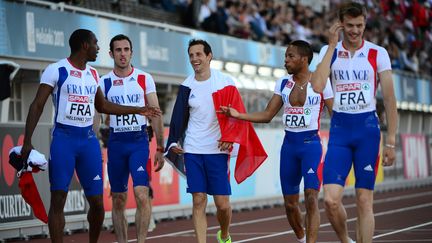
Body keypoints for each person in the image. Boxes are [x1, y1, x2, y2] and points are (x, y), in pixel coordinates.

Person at [20, 29, 161, 243]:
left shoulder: (94, 74)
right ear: (85, 45)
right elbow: (37, 105)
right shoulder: (56, 70)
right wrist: (27, 141)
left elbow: (102, 106)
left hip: (88, 142)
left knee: (97, 203)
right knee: (58, 199)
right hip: (64, 140)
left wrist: (137, 110)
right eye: (95, 44)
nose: (98, 49)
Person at [220, 40, 334, 243]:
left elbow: (336, 114)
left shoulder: (321, 83)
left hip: (311, 146)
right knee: (290, 205)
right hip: (289, 147)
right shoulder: (282, 83)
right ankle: (301, 238)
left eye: (291, 56)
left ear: (304, 59)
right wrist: (238, 115)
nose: (286, 60)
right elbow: (267, 115)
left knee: (311, 196)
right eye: (286, 56)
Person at [311, 2, 398, 243]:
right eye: (349, 26)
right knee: (330, 199)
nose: (355, 31)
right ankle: (345, 239)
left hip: (367, 131)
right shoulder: (330, 51)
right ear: (340, 24)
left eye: (359, 25)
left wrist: (391, 141)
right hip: (340, 130)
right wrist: (330, 46)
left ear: (365, 23)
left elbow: (390, 98)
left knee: (363, 199)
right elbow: (317, 86)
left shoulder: (377, 53)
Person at [164, 39, 267, 243]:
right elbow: (178, 118)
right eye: (191, 55)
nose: (195, 59)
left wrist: (230, 139)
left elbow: (237, 113)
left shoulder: (225, 81)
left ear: (209, 56)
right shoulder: (187, 85)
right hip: (193, 148)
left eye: (199, 54)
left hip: (218, 150)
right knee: (198, 199)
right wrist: (174, 142)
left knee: (222, 204)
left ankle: (225, 234)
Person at [99, 34, 164, 243]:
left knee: (141, 194)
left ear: (132, 52)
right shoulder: (104, 82)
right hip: (116, 143)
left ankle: (141, 241)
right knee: (118, 199)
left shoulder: (144, 78)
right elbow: (100, 117)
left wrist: (160, 147)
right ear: (111, 54)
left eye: (126, 49)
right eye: (118, 50)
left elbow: (156, 113)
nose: (123, 54)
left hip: (138, 141)